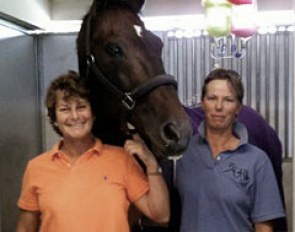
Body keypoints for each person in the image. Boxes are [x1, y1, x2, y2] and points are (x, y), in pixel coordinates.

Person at [16, 71, 169, 232]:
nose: (75, 116)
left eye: (81, 107)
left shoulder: (121, 160)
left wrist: (152, 165)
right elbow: (25, 228)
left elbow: (160, 214)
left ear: (93, 114)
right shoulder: (36, 168)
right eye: (65, 109)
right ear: (54, 118)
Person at [176, 68, 285, 232]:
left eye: (228, 100)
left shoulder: (257, 161)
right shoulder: (185, 153)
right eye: (212, 98)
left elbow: (264, 227)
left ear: (238, 108)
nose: (219, 107)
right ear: (202, 103)